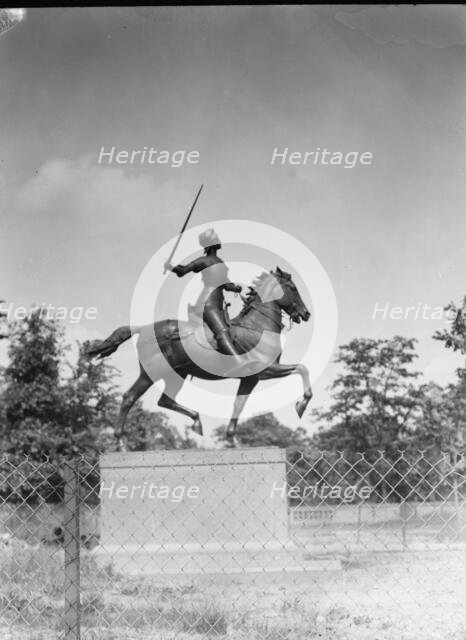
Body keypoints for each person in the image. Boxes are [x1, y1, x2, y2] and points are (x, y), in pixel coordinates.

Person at [164, 228, 248, 373]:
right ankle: (238, 361)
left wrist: (235, 288)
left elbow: (225, 283)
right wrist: (171, 267)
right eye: (215, 241)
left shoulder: (219, 262)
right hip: (207, 303)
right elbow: (183, 270)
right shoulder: (203, 261)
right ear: (210, 244)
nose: (217, 243)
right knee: (221, 330)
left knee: (230, 328)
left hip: (218, 303)